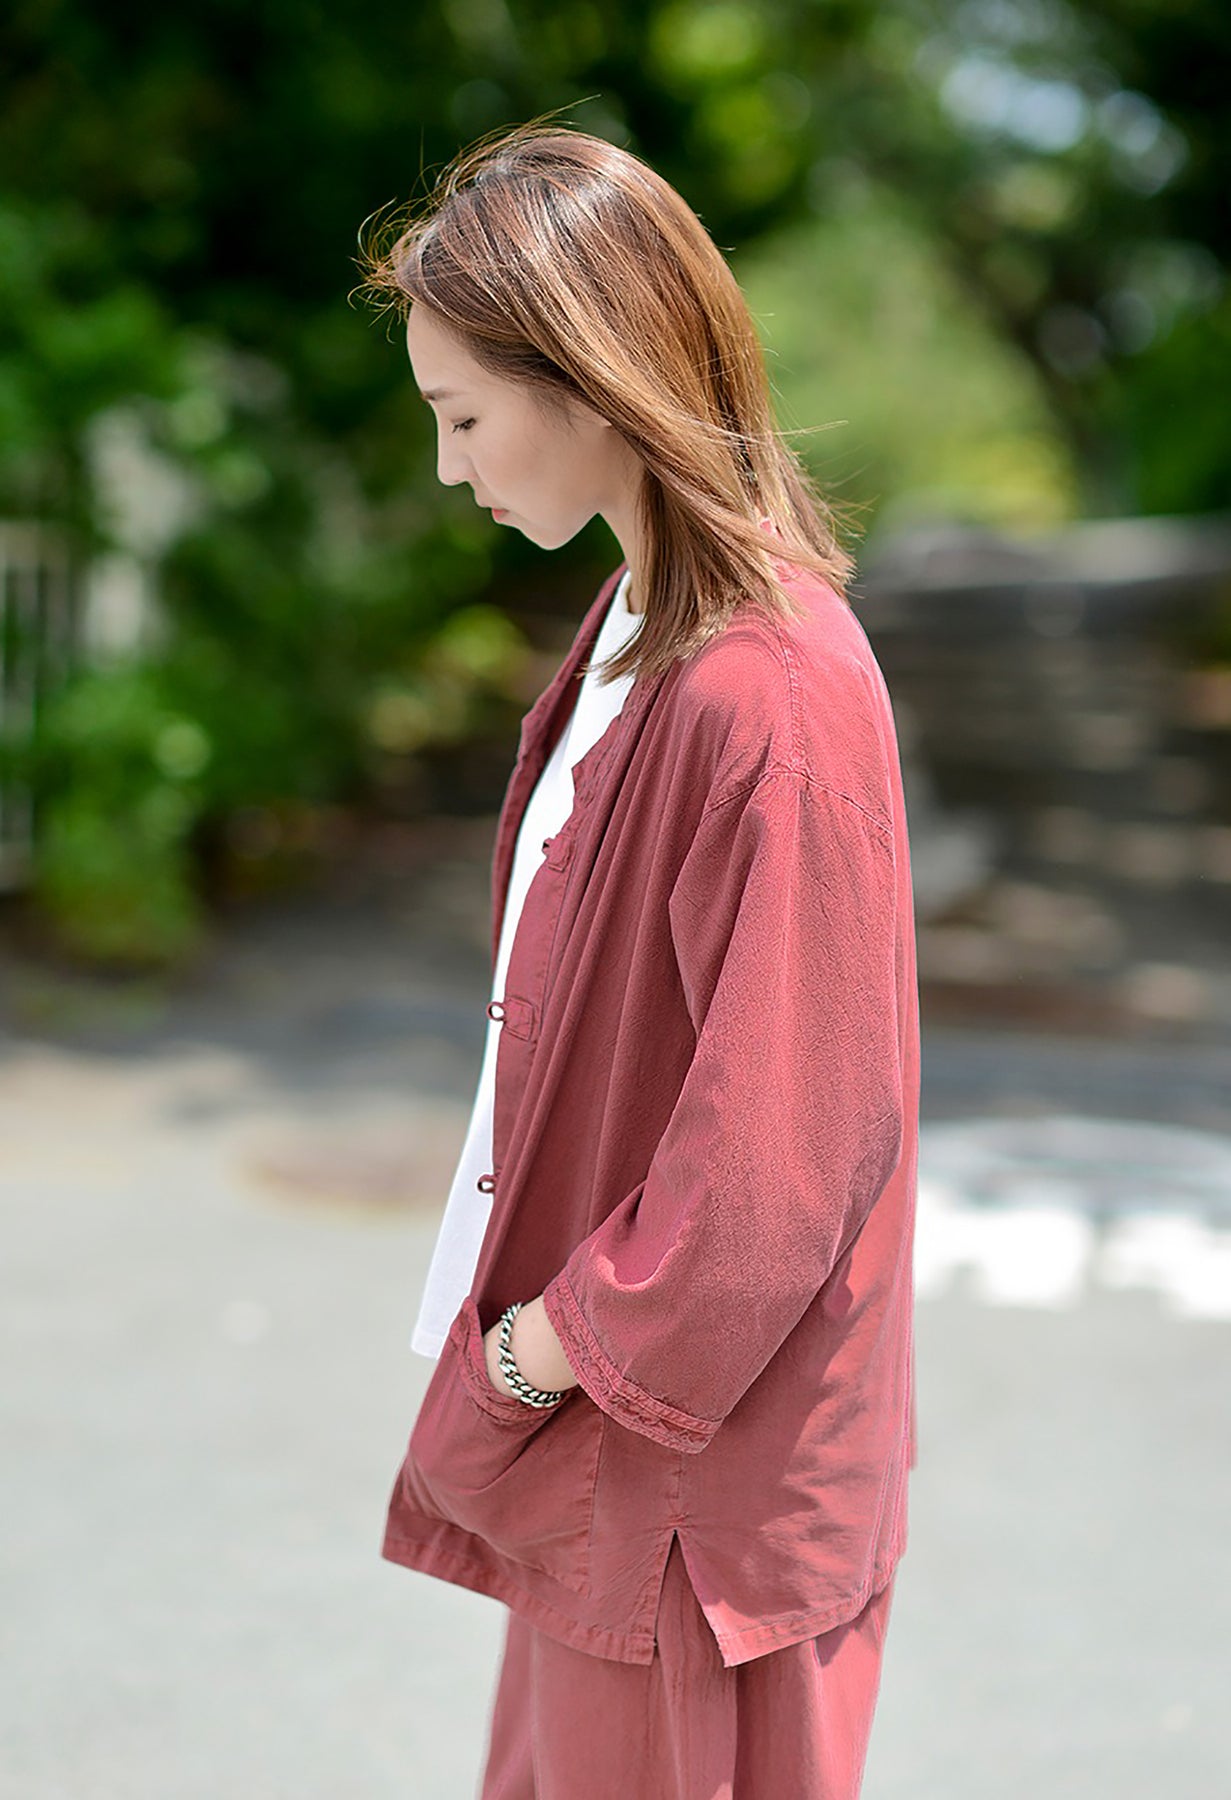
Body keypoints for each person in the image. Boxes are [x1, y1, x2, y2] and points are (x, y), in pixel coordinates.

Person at [358, 119, 920, 1800]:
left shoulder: (767, 690)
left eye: (464, 416)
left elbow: (774, 1172)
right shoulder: (637, 628)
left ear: (592, 379)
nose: (448, 467)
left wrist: (530, 1357)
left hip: (689, 1503)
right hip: (624, 1474)